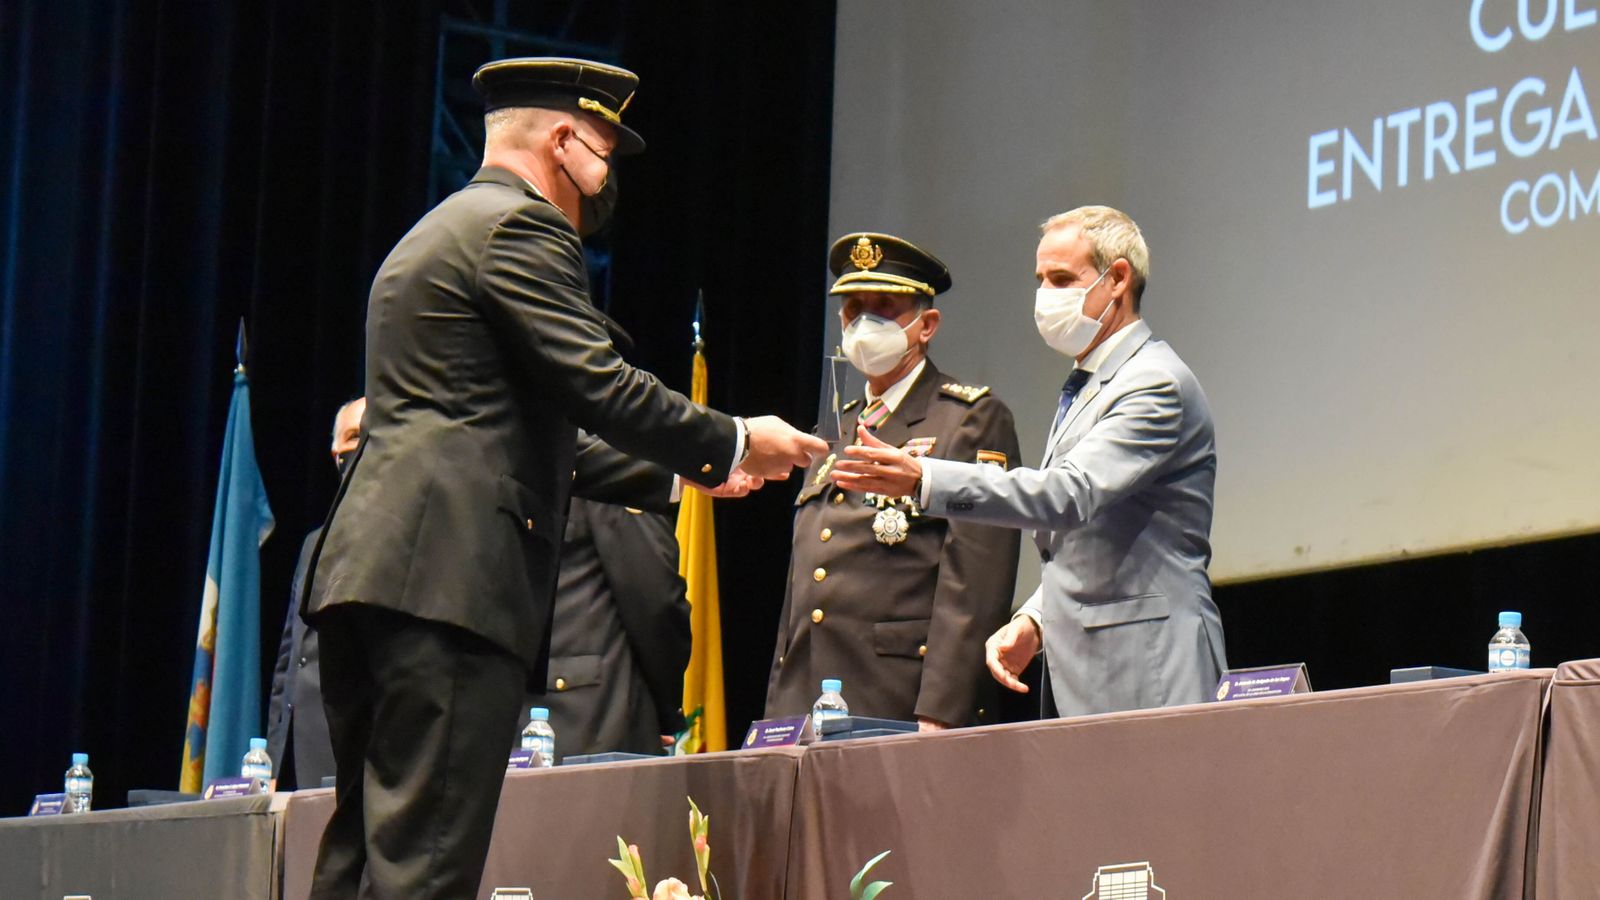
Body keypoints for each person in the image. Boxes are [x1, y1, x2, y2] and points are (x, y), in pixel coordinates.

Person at [300, 57, 825, 899]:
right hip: (451, 587)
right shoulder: (522, 227)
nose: (607, 176)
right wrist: (731, 439)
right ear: (565, 139)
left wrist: (684, 479)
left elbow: (522, 431)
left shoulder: (430, 234)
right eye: (606, 152)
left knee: (364, 853)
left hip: (375, 577)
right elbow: (599, 386)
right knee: (427, 861)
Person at [832, 206, 1227, 718]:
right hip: (1094, 669)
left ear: (1119, 279)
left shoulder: (1153, 383)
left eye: (1061, 278)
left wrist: (925, 477)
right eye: (1040, 279)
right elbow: (1095, 544)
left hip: (1149, 668)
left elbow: (1067, 496)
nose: (1045, 295)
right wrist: (1037, 618)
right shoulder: (1095, 382)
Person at [765, 233, 1022, 731]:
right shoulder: (835, 427)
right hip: (807, 704)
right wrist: (779, 713)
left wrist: (941, 713)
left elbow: (976, 577)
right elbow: (807, 583)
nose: (864, 323)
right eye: (853, 308)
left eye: (884, 308)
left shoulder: (969, 420)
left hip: (898, 702)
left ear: (926, 325)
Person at [530, 493, 692, 758]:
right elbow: (655, 598)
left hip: (535, 719)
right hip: (595, 718)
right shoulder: (618, 456)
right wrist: (664, 711)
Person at [265, 397, 365, 789]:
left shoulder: (398, 535)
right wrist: (272, 760)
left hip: (344, 749)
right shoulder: (312, 544)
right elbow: (287, 662)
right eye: (347, 438)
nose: (350, 449)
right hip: (292, 751)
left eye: (361, 436)